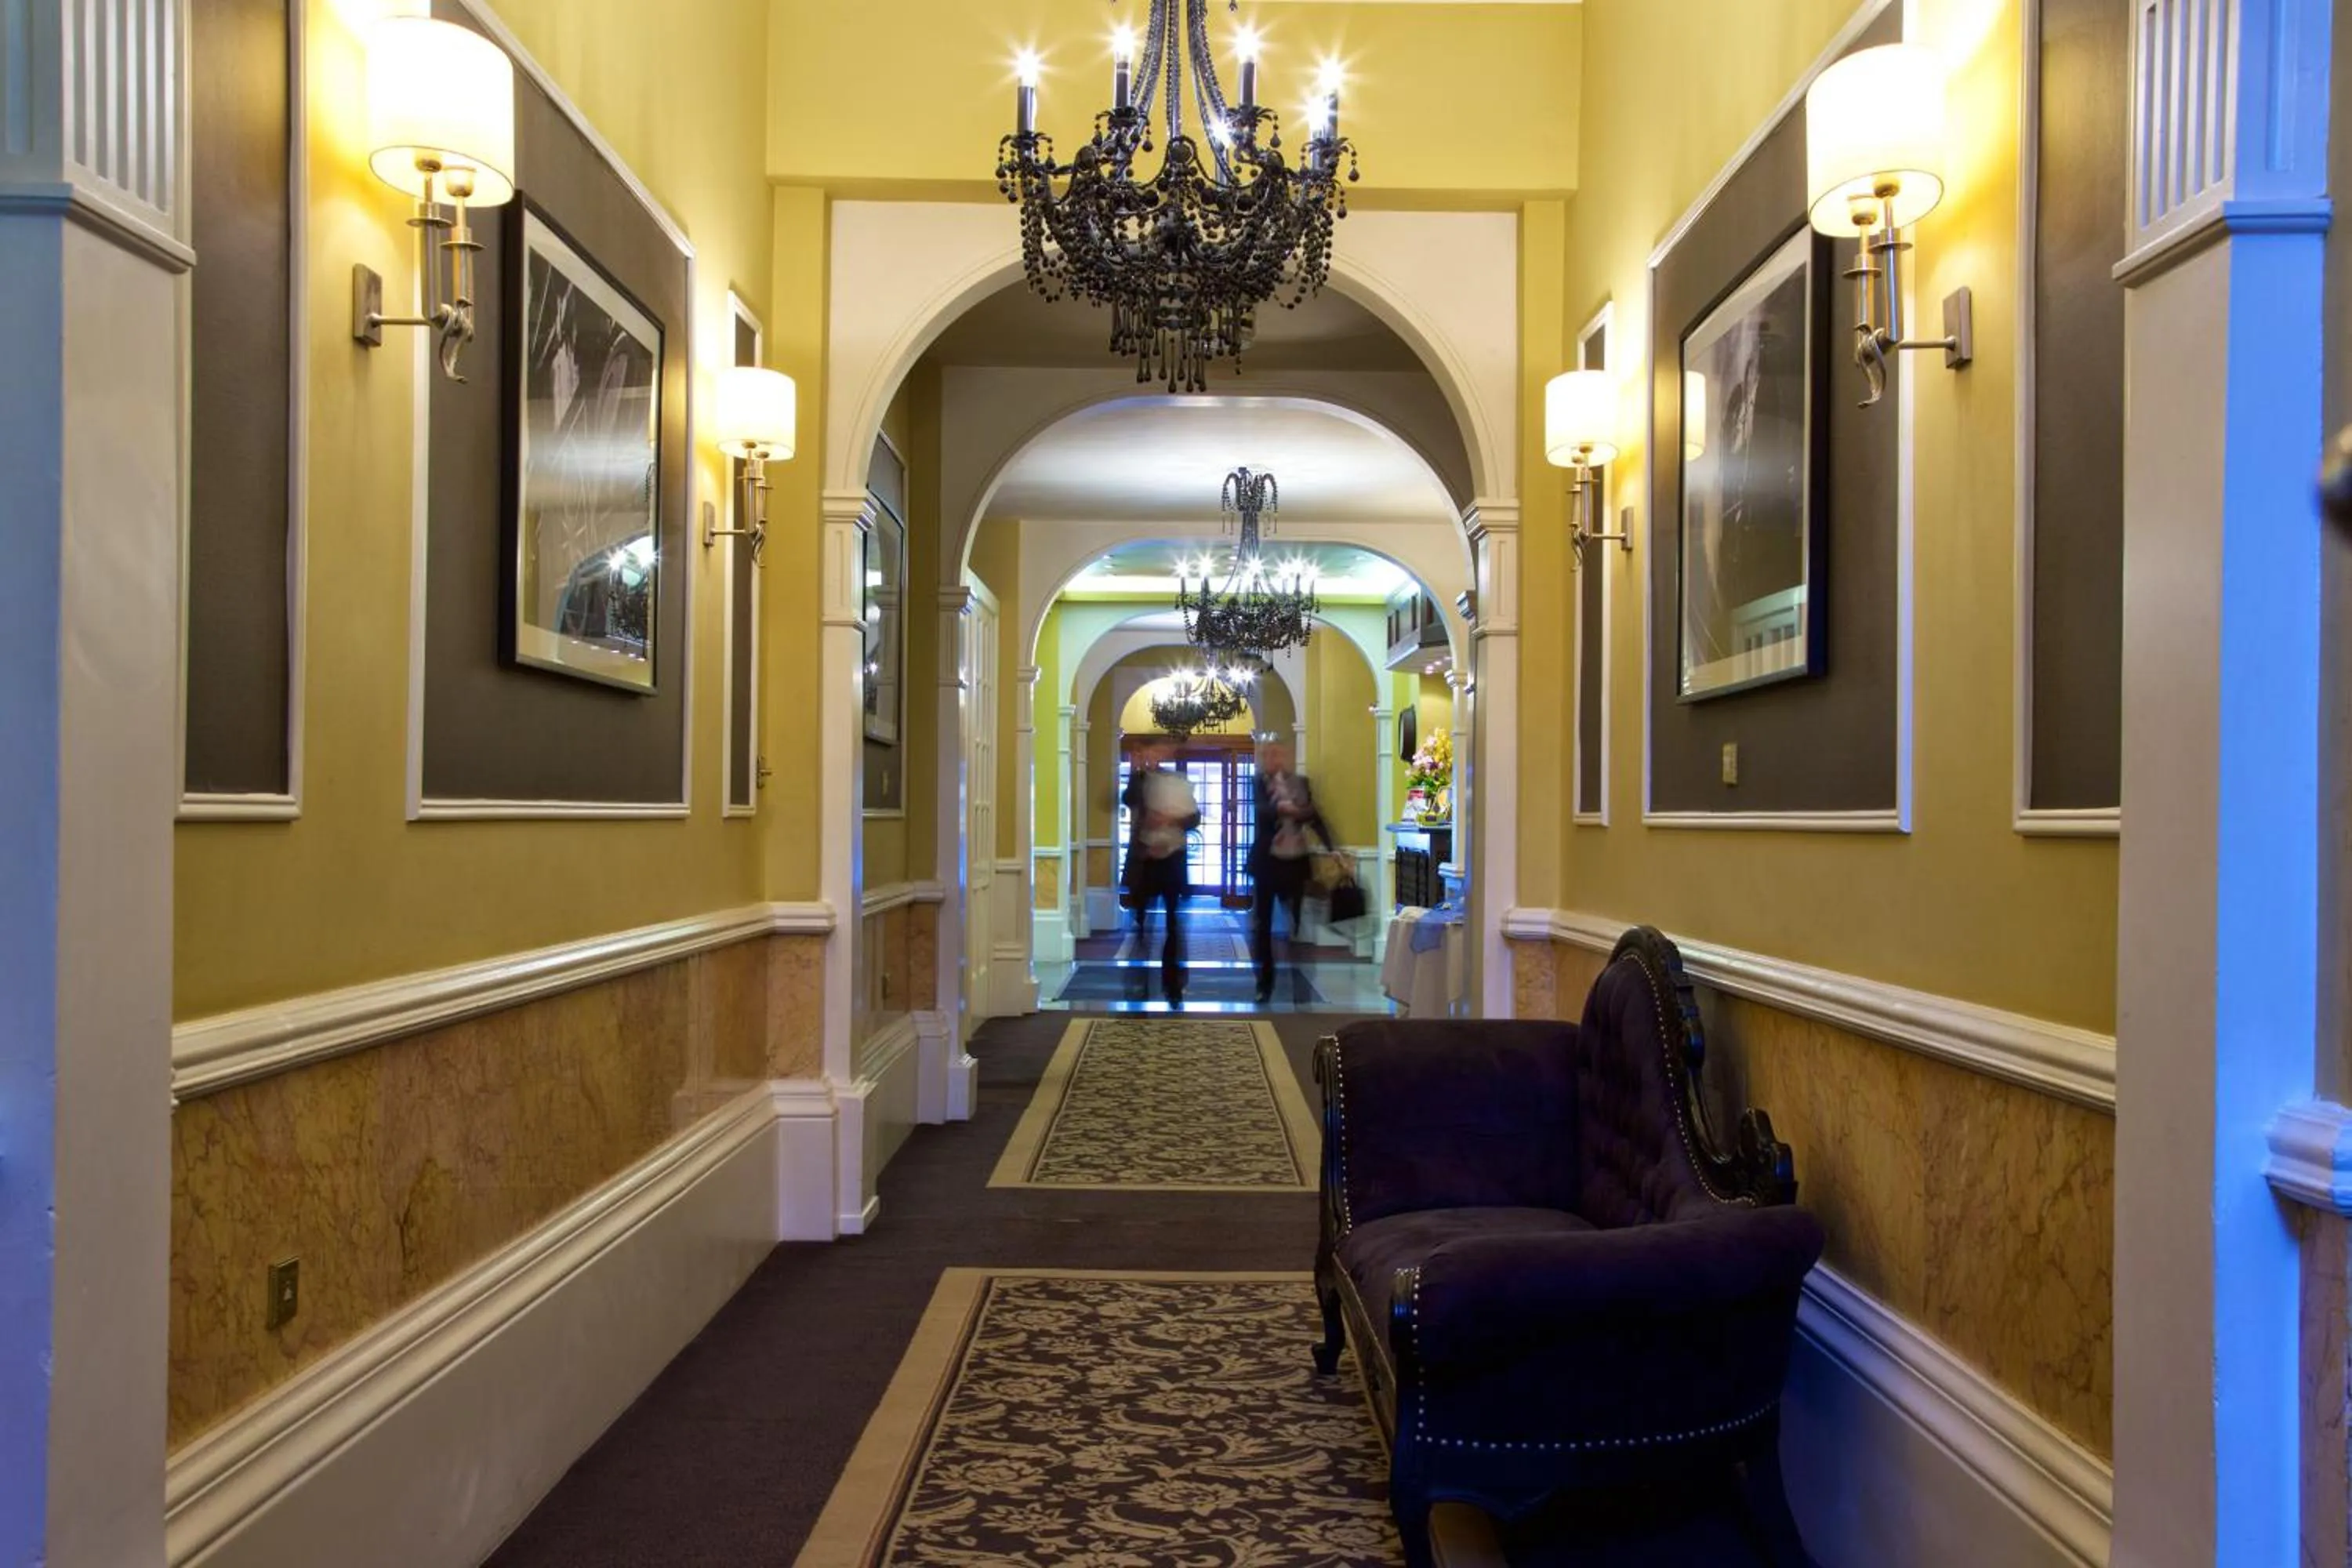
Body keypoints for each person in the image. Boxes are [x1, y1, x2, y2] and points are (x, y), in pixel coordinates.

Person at [1247, 743, 1330, 1005]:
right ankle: (1265, 984)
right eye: (1269, 756)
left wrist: (1333, 850)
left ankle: (1300, 983)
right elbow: (1263, 812)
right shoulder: (1259, 784)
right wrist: (1288, 810)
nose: (1274, 760)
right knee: (1263, 926)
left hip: (1294, 863)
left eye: (1278, 755)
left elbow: (1315, 816)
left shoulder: (1301, 784)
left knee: (1295, 925)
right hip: (1267, 863)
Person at [1120, 740, 1200, 1007]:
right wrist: (1135, 771)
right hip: (1145, 862)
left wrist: (1172, 819)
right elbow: (1128, 800)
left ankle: (1172, 986)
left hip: (1172, 861)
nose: (1155, 758)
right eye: (1149, 754)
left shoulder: (1174, 782)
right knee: (1141, 927)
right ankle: (1138, 982)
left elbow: (1194, 818)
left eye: (1160, 753)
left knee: (1173, 925)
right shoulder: (1140, 782)